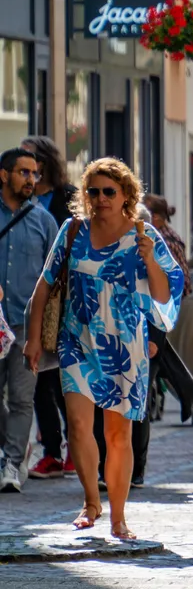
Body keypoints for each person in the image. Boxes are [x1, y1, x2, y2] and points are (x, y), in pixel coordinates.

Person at [23, 158, 184, 540]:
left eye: (109, 191)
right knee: (78, 426)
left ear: (127, 194)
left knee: (117, 435)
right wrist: (32, 339)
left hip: (126, 346)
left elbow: (165, 294)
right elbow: (44, 285)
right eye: (92, 191)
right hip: (76, 341)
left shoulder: (144, 235)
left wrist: (149, 260)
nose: (100, 198)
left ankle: (118, 516)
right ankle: (91, 502)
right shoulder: (72, 229)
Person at [0, 147, 56, 492]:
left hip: (25, 324)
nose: (31, 180)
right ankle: (14, 446)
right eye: (24, 172)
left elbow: (56, 274)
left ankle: (10, 462)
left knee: (22, 398)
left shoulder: (43, 220)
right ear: (4, 175)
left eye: (34, 174)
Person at [24, 136, 76, 481]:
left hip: (63, 299)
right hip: (31, 296)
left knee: (61, 380)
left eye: (30, 161)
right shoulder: (17, 200)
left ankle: (77, 446)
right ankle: (52, 452)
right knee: (40, 378)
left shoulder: (66, 198)